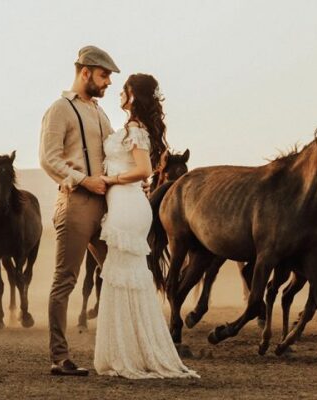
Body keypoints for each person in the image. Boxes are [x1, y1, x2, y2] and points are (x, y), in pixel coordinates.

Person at [93, 73, 199, 379]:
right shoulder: (132, 128)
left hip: (127, 206)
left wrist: (110, 179)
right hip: (124, 204)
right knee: (125, 278)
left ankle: (131, 353)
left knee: (124, 277)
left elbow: (142, 170)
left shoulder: (137, 130)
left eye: (124, 90)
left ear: (133, 96)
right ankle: (129, 350)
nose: (119, 94)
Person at [39, 45, 119, 376]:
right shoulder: (60, 109)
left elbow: (112, 156)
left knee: (117, 273)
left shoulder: (100, 113)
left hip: (105, 204)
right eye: (104, 75)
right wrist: (84, 180)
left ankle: (119, 349)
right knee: (66, 280)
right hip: (75, 203)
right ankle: (60, 357)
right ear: (85, 72)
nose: (108, 82)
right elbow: (49, 158)